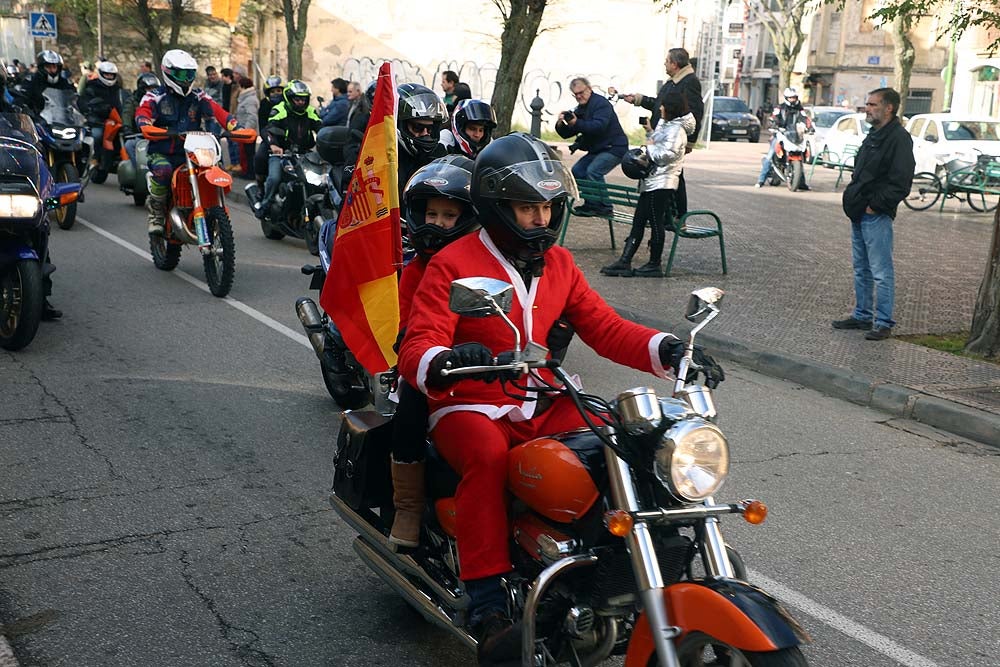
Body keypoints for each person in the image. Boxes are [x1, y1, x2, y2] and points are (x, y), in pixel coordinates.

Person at [397, 132, 724, 664]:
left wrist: (669, 349)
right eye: (529, 209)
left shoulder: (560, 266)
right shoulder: (453, 262)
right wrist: (445, 358)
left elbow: (606, 327)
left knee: (618, 437)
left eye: (549, 208)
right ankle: (487, 603)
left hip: (539, 397)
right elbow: (418, 342)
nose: (541, 220)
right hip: (469, 402)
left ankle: (605, 562)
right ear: (497, 208)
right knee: (486, 456)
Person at [389, 154, 480, 549]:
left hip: (485, 369)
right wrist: (425, 345)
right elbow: (408, 325)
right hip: (431, 367)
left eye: (448, 215)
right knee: (410, 409)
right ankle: (407, 507)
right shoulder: (416, 269)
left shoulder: (483, 265)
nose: (438, 223)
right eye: (431, 214)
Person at [833, 88, 914, 342]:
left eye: (872, 104)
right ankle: (862, 315)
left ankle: (883, 321)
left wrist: (876, 206)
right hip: (859, 211)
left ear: (888, 107)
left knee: (881, 270)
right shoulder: (874, 135)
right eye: (867, 104)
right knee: (862, 268)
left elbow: (901, 181)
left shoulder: (898, 138)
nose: (867, 108)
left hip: (875, 214)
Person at [136, 49, 238, 235]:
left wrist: (234, 126)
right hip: (163, 151)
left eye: (189, 74)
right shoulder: (155, 96)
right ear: (168, 72)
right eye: (181, 74)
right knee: (163, 171)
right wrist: (145, 124)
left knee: (215, 168)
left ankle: (211, 210)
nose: (186, 78)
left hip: (193, 151)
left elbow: (217, 111)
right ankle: (157, 212)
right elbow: (143, 112)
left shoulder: (199, 96)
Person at [602, 91, 694, 278]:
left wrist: (647, 149)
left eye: (663, 106)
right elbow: (658, 143)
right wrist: (650, 132)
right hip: (651, 179)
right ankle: (625, 261)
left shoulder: (677, 130)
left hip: (662, 182)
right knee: (638, 221)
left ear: (671, 108)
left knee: (655, 221)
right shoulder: (666, 124)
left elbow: (668, 154)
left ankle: (654, 264)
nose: (660, 108)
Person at [619, 47, 704, 217]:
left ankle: (678, 216)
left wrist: (690, 142)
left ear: (675, 64)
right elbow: (660, 104)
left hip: (673, 138)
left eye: (667, 61)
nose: (664, 64)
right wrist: (638, 99)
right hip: (662, 136)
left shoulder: (689, 82)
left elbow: (695, 112)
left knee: (674, 176)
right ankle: (666, 215)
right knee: (667, 176)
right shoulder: (673, 81)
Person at [554, 76, 628, 216]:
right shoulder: (580, 108)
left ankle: (605, 207)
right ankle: (591, 204)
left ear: (589, 89)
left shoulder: (601, 104)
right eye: (576, 94)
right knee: (577, 171)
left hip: (614, 147)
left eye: (581, 92)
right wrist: (560, 124)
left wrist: (577, 123)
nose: (579, 96)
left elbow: (598, 127)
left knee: (593, 171)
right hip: (599, 149)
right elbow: (568, 133)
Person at [252, 79, 321, 218]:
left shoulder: (310, 111)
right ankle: (265, 205)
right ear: (289, 98)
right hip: (282, 154)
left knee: (320, 180)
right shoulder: (280, 109)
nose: (301, 102)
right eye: (297, 99)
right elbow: (268, 129)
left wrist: (327, 140)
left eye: (303, 99)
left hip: (304, 154)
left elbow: (321, 128)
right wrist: (274, 145)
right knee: (274, 178)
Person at [395, 83, 448, 200]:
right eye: (418, 128)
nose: (425, 134)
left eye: (430, 129)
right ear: (399, 124)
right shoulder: (385, 158)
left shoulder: (440, 155)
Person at [755, 87, 809, 189]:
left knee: (800, 156)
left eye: (794, 97)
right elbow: (774, 117)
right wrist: (774, 123)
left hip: (794, 135)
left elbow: (805, 118)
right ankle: (761, 180)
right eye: (790, 98)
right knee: (770, 156)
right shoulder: (780, 108)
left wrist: (809, 127)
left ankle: (801, 183)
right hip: (781, 133)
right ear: (786, 98)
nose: (793, 100)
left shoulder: (800, 109)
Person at [79, 60, 123, 171]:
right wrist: (92, 108)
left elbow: (122, 102)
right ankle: (92, 157)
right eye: (106, 74)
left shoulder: (117, 89)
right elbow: (83, 101)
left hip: (116, 120)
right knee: (97, 135)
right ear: (101, 74)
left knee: (127, 135)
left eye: (111, 75)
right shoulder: (92, 86)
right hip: (97, 120)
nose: (109, 77)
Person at [25, 50, 75, 115]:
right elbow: (23, 97)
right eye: (48, 67)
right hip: (39, 118)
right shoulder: (32, 81)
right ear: (41, 67)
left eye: (54, 67)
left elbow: (75, 98)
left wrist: (85, 106)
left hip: (63, 118)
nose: (52, 70)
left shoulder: (64, 82)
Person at [234, 75, 259, 177]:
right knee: (246, 153)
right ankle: (247, 171)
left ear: (243, 87)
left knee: (249, 154)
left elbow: (252, 116)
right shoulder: (247, 98)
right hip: (245, 131)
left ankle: (250, 173)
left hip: (248, 132)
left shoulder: (250, 100)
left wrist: (246, 131)